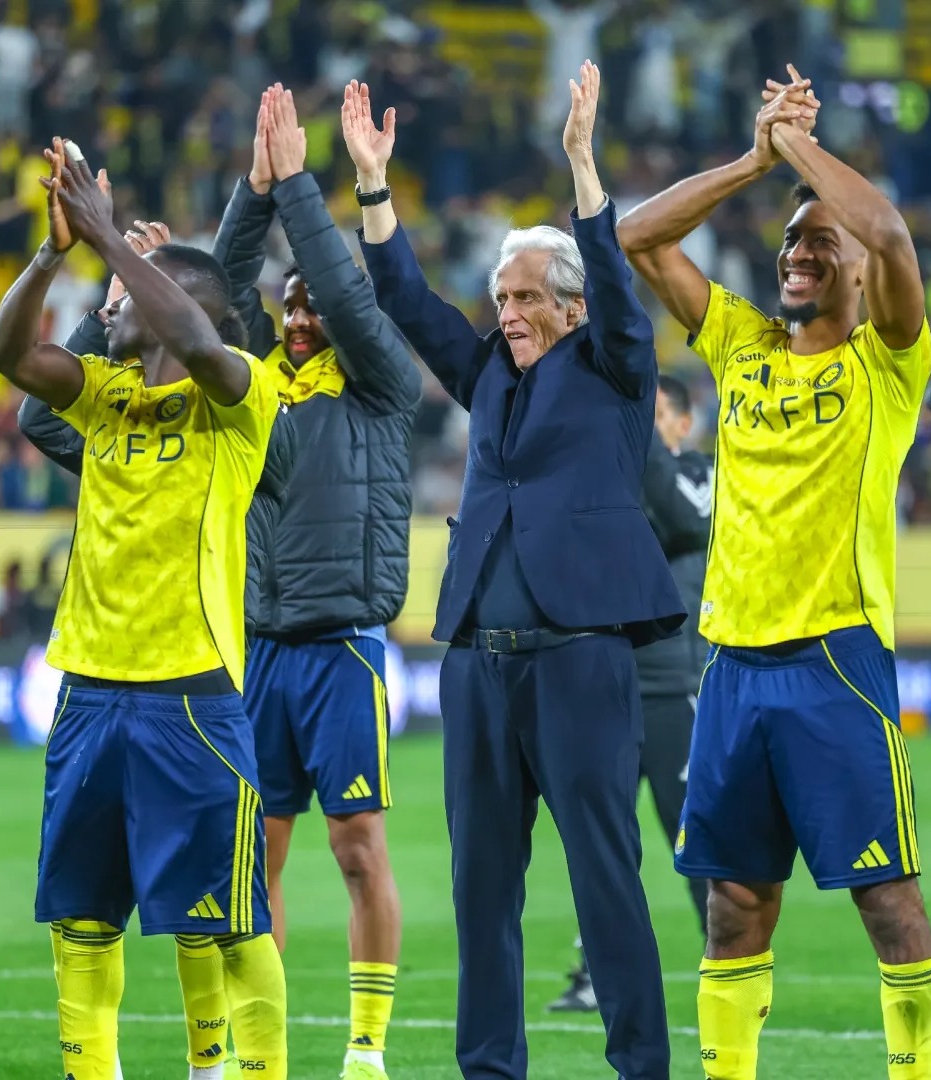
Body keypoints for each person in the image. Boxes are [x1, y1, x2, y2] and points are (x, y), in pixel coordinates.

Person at [355, 64, 681, 1079]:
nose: (509, 312)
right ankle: (490, 1069)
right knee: (481, 889)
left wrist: (581, 163)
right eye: (501, 297)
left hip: (581, 658)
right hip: (478, 666)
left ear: (571, 308)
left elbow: (618, 282)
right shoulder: (489, 372)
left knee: (605, 878)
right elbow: (405, 299)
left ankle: (641, 1067)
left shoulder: (617, 366)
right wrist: (373, 185)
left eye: (529, 296)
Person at [619, 67, 931, 1079]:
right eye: (790, 240)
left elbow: (890, 233)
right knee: (733, 904)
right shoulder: (740, 344)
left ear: (859, 277)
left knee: (887, 900)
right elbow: (637, 238)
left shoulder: (887, 363)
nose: (797, 253)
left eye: (819, 243)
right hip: (731, 665)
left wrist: (800, 146)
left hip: (835, 661)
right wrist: (753, 159)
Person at [0, 137, 286, 1080]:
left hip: (190, 696)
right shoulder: (103, 394)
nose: (107, 308)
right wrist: (56, 251)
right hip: (87, 693)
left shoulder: (243, 396)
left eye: (122, 301)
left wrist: (113, 238)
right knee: (81, 922)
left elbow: (197, 343)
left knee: (230, 922)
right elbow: (5, 353)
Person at [212, 84, 421, 1080]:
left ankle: (366, 1047)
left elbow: (344, 291)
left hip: (343, 649)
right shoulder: (259, 389)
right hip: (260, 649)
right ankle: (264, 1052)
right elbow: (215, 299)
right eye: (288, 305)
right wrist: (256, 192)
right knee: (256, 858)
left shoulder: (380, 382)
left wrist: (300, 185)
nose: (298, 319)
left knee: (357, 848)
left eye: (311, 306)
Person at [550, 373, 713, 1014]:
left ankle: (724, 961)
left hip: (675, 687)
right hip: (608, 684)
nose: (644, 426)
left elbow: (685, 520)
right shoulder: (608, 481)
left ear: (681, 425)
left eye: (655, 415)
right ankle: (596, 972)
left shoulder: (700, 475)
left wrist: (629, 425)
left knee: (694, 836)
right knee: (602, 840)